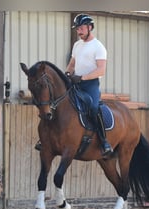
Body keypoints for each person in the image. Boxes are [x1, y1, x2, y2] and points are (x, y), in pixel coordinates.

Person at [35, 13, 113, 156]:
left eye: (81, 28)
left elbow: (101, 69)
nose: (79, 31)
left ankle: (104, 142)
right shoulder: (77, 45)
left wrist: (83, 77)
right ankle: (45, 139)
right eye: (77, 29)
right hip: (75, 82)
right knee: (56, 103)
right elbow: (72, 64)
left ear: (90, 27)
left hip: (90, 85)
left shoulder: (98, 47)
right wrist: (67, 75)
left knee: (94, 107)